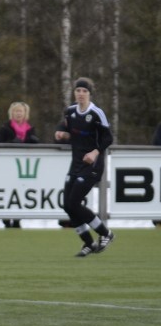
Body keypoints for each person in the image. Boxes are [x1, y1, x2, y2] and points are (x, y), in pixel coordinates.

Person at [54, 77, 115, 257]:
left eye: (84, 91)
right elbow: (66, 129)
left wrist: (95, 152)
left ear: (90, 94)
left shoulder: (96, 113)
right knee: (67, 205)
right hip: (76, 163)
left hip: (92, 164)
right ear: (74, 93)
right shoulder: (70, 111)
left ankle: (105, 233)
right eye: (78, 90)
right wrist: (61, 134)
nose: (81, 94)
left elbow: (108, 138)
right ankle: (88, 243)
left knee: (74, 203)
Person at [0, 101, 40, 228]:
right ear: (11, 113)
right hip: (7, 165)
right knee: (7, 190)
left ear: (25, 113)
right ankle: (6, 217)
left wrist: (33, 142)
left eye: (21, 111)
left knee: (21, 190)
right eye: (16, 111)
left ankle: (17, 218)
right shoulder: (5, 128)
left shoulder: (30, 130)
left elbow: (36, 146)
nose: (18, 113)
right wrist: (11, 143)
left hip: (24, 166)